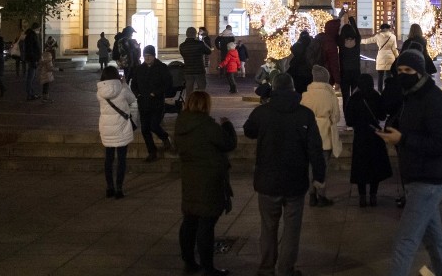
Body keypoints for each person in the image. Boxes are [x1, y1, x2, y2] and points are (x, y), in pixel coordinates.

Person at [376, 49, 442, 276]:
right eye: (399, 70)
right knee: (435, 242)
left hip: (429, 180)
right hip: (417, 177)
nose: (403, 74)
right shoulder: (411, 96)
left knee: (403, 243)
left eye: (408, 70)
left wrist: (403, 139)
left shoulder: (436, 101)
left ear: (420, 72)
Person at [243, 73, 326, 276]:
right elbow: (315, 147)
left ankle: (266, 268)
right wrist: (319, 176)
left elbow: (249, 131)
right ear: (293, 88)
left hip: (267, 179)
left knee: (268, 227)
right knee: (292, 229)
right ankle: (286, 269)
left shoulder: (263, 112)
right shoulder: (304, 114)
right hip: (294, 180)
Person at [175, 91, 237, 276]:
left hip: (190, 176)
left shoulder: (182, 123)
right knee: (206, 224)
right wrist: (227, 125)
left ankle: (189, 262)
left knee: (190, 220)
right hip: (209, 179)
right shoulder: (207, 125)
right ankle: (208, 267)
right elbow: (228, 143)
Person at [344, 73, 392, 207]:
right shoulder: (376, 96)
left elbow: (349, 120)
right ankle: (373, 195)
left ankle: (362, 196)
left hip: (360, 135)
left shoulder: (354, 98)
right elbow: (382, 116)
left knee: (361, 166)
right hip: (375, 134)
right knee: (375, 166)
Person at [300, 65, 341, 207]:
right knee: (323, 166)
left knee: (311, 166)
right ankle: (321, 195)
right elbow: (336, 117)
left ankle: (312, 195)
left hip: (309, 135)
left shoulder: (306, 95)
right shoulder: (330, 96)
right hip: (325, 135)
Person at [97, 65, 136, 198]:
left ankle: (109, 187)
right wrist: (124, 83)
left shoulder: (100, 92)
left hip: (107, 128)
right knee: (121, 160)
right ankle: (119, 188)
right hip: (121, 128)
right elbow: (132, 99)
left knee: (108, 159)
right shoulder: (122, 89)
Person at [130, 45, 174, 162]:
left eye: (149, 56)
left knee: (154, 125)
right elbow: (133, 84)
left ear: (154, 56)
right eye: (145, 56)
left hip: (157, 103)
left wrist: (156, 93)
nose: (147, 58)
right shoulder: (139, 69)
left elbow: (168, 83)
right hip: (143, 103)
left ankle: (165, 138)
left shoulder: (162, 68)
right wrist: (137, 94)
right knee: (145, 129)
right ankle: (152, 152)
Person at [361, 23, 399, 91]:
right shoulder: (393, 37)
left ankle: (379, 91)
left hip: (381, 57)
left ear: (381, 29)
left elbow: (367, 41)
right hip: (390, 58)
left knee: (380, 76)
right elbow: (394, 49)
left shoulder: (378, 36)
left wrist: (359, 41)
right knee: (389, 76)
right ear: (388, 28)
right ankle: (388, 90)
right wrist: (397, 57)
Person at [338, 16, 361, 114]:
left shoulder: (341, 42)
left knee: (346, 97)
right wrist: (352, 20)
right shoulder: (357, 40)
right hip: (356, 72)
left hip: (344, 73)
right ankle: (355, 116)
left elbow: (335, 32)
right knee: (355, 96)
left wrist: (340, 17)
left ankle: (347, 118)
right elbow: (357, 31)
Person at [179, 27, 213, 94]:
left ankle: (189, 103)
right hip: (199, 70)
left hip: (188, 70)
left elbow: (183, 55)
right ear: (195, 34)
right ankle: (200, 103)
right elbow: (209, 51)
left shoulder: (182, 46)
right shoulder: (200, 44)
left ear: (186, 34)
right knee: (201, 90)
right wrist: (203, 42)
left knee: (188, 91)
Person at [287, 30, 313, 94]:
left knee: (298, 91)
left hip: (297, 71)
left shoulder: (297, 45)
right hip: (308, 71)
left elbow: (293, 49)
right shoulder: (311, 44)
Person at [23, 22, 42, 101]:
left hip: (32, 58)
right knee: (31, 77)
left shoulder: (30, 35)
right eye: (39, 28)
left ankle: (31, 93)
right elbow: (31, 49)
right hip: (32, 59)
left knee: (31, 77)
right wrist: (35, 58)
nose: (40, 30)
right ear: (36, 28)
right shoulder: (31, 35)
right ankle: (30, 94)